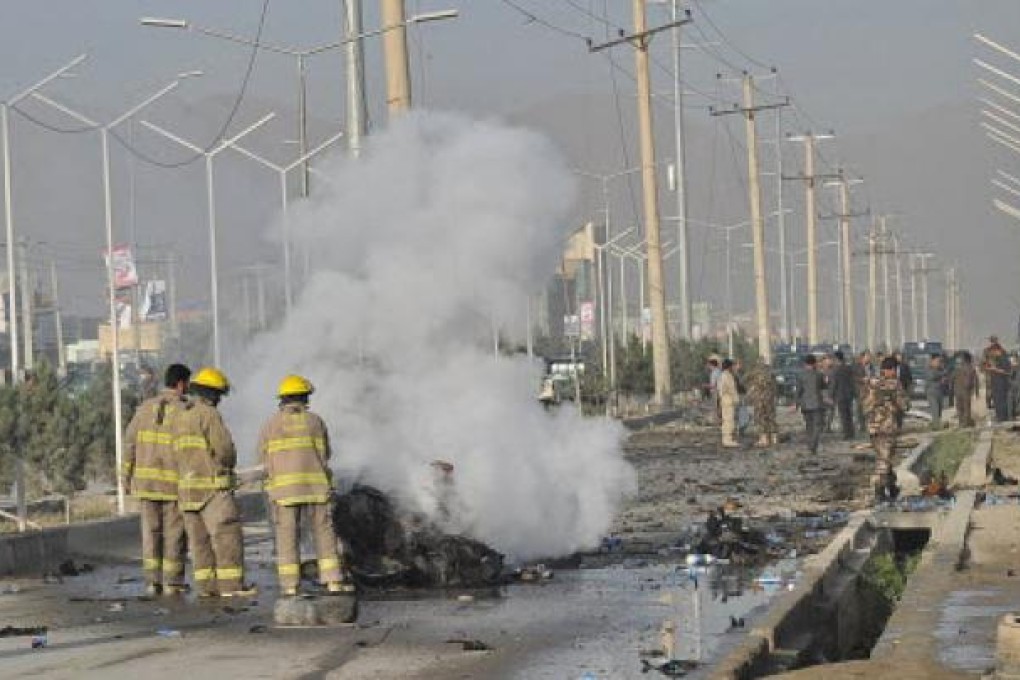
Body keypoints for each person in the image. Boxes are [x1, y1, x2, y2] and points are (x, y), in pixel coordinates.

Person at [258, 375, 352, 597]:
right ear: (305, 397)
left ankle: (291, 586)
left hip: (284, 491)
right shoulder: (315, 421)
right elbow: (326, 453)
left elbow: (263, 455)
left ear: (282, 399)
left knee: (287, 536)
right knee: (324, 533)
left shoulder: (270, 424)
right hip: (315, 488)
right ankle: (333, 581)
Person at [173, 367, 254, 598]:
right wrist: (227, 464)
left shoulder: (180, 416)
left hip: (187, 492)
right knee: (226, 536)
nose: (219, 400)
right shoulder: (208, 414)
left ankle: (207, 588)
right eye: (218, 395)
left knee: (199, 544)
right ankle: (231, 587)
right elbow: (224, 449)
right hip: (212, 490)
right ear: (211, 394)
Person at [123, 363, 191, 596]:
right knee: (174, 535)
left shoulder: (144, 409)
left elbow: (129, 442)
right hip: (173, 486)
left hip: (146, 485)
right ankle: (173, 582)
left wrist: (126, 476)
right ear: (181, 384)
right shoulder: (185, 411)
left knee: (150, 535)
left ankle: (152, 582)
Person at [862, 357, 911, 502]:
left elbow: (865, 405)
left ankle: (891, 486)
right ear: (890, 370)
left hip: (874, 427)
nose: (895, 373)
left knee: (884, 457)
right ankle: (880, 490)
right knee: (884, 460)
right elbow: (904, 406)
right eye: (894, 370)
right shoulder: (895, 384)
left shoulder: (871, 383)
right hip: (887, 427)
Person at [796, 354, 828, 454]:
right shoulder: (819, 375)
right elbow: (824, 386)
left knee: (809, 426)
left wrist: (796, 404)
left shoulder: (801, 375)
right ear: (814, 363)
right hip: (817, 404)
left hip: (805, 405)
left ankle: (810, 444)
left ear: (805, 363)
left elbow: (798, 391)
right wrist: (826, 381)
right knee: (818, 426)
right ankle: (813, 445)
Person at [745, 360, 779, 446]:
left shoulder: (754, 372)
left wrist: (751, 390)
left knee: (760, 418)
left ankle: (764, 439)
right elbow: (775, 385)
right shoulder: (771, 372)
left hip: (759, 399)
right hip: (769, 398)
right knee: (771, 417)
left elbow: (744, 380)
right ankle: (774, 438)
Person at [830, 351, 856, 440]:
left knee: (843, 415)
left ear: (837, 359)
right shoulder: (848, 368)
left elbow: (834, 384)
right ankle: (851, 432)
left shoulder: (835, 370)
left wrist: (831, 395)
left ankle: (846, 434)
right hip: (849, 394)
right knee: (849, 414)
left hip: (840, 395)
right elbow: (853, 381)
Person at [985, 338, 1012, 422]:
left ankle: (1003, 418)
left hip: (1001, 382)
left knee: (1001, 401)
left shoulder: (1003, 357)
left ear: (998, 350)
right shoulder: (995, 358)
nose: (992, 353)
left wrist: (995, 369)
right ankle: (999, 417)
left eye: (993, 351)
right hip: (994, 381)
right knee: (996, 400)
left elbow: (1007, 371)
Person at [953, 351, 979, 428]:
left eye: (962, 358)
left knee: (963, 407)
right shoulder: (962, 368)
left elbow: (975, 381)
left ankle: (964, 423)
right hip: (962, 390)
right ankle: (963, 423)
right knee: (963, 407)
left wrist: (976, 392)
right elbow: (953, 379)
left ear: (965, 359)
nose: (960, 359)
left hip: (963, 391)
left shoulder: (968, 368)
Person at [718, 359, 740, 448]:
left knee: (726, 420)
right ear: (729, 366)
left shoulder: (722, 375)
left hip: (724, 399)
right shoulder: (727, 376)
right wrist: (736, 400)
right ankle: (728, 440)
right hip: (728, 399)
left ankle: (726, 439)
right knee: (729, 420)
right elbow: (732, 389)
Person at [852, 351, 874, 435]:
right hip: (860, 390)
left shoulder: (871, 366)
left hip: (869, 390)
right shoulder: (856, 366)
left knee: (869, 408)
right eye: (867, 356)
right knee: (859, 409)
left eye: (869, 357)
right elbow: (853, 377)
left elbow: (873, 374)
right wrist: (862, 379)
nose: (869, 358)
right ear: (862, 357)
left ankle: (869, 425)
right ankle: (861, 426)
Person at [926, 354, 947, 430]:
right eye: (937, 361)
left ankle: (937, 424)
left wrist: (943, 379)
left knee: (939, 410)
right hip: (932, 392)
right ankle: (936, 426)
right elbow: (932, 376)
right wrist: (941, 375)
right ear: (932, 361)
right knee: (935, 409)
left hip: (939, 391)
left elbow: (945, 376)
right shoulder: (929, 368)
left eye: (939, 361)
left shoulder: (941, 369)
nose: (938, 363)